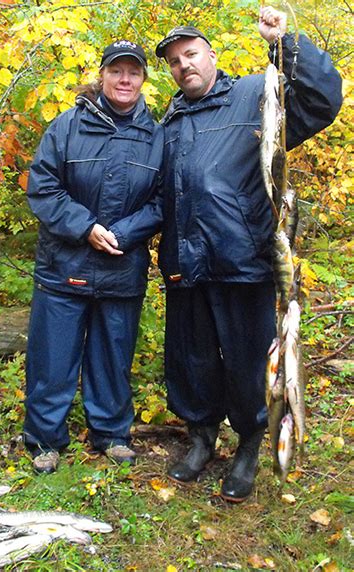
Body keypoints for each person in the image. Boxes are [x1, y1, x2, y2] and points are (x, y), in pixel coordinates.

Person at [155, 7, 342, 501]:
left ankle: (249, 446)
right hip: (185, 265)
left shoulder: (253, 95)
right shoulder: (169, 120)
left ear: (211, 55)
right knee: (192, 360)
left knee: (246, 362)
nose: (183, 66)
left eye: (190, 54)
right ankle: (201, 439)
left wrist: (285, 44)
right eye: (174, 61)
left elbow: (320, 104)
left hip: (242, 259)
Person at [24, 40, 164, 474]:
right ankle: (45, 440)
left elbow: (163, 201)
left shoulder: (158, 136)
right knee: (52, 360)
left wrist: (122, 232)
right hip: (64, 267)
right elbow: (43, 187)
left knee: (113, 358)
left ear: (143, 79)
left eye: (133, 72)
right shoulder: (66, 127)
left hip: (123, 267)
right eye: (117, 71)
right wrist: (85, 227)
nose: (125, 80)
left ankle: (111, 434)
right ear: (101, 75)